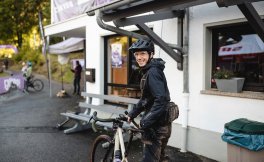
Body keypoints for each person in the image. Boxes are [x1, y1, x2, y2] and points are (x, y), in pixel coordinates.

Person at [127, 38, 171, 162]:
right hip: (161, 123)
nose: (139, 57)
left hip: (156, 127)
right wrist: (133, 113)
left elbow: (161, 99)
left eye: (143, 53)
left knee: (150, 159)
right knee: (160, 158)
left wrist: (145, 121)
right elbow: (146, 99)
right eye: (136, 54)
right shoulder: (150, 71)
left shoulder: (152, 72)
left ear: (151, 54)